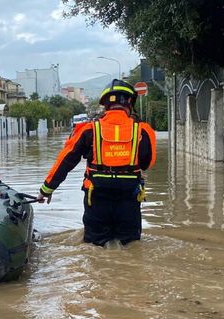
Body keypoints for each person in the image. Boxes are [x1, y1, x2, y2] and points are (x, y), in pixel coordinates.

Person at [37, 79, 157, 246]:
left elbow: (66, 161)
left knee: (95, 246)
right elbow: (147, 163)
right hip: (129, 197)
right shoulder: (143, 130)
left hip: (97, 196)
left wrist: (46, 189)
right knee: (130, 245)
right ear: (130, 102)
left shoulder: (88, 129)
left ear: (105, 105)